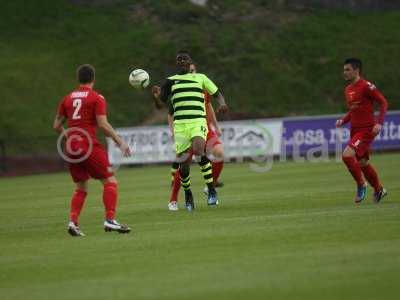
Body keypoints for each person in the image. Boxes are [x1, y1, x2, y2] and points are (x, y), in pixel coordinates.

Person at [53, 64, 132, 236]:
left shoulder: (67, 98)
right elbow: (103, 125)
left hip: (71, 148)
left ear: (78, 79)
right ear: (93, 79)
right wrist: (120, 142)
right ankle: (110, 220)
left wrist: (69, 137)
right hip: (88, 145)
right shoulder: (96, 97)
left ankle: (73, 223)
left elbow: (56, 125)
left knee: (81, 188)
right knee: (110, 181)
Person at [152, 50, 228, 211]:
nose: (181, 61)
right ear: (176, 64)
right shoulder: (170, 81)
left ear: (190, 62)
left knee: (200, 151)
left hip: (197, 122)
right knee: (184, 165)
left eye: (184, 59)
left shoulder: (201, 78)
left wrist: (222, 103)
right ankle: (187, 193)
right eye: (178, 60)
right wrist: (156, 97)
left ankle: (212, 190)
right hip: (180, 125)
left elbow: (217, 93)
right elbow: (162, 105)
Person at [168, 63, 225, 211]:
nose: (190, 72)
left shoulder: (202, 85)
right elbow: (170, 111)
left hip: (202, 126)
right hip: (185, 128)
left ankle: (211, 187)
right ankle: (174, 198)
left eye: (193, 70)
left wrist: (216, 126)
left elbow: (209, 107)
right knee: (184, 162)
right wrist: (173, 131)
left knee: (219, 153)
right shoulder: (177, 86)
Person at [336, 58, 388, 203]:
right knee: (363, 162)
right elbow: (353, 110)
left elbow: (383, 102)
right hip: (355, 129)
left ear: (356, 70)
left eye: (347, 69)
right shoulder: (348, 89)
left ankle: (361, 184)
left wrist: (380, 123)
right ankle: (379, 190)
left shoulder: (366, 86)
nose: (344, 72)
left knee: (347, 155)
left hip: (366, 130)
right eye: (344, 69)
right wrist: (343, 120)